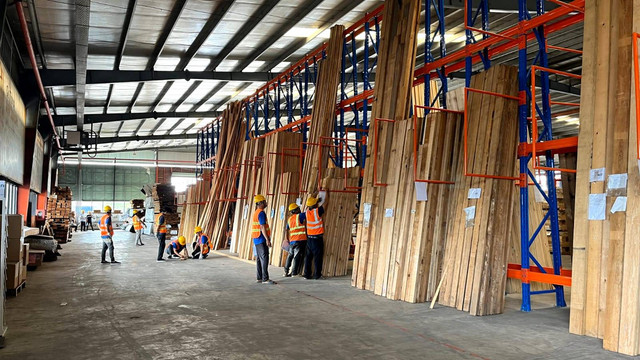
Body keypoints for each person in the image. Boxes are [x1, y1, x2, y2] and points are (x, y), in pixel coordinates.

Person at [304, 192, 328, 280]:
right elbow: (326, 203)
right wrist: (327, 193)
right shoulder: (317, 211)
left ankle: (307, 274)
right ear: (315, 205)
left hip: (309, 239)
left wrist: (316, 194)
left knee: (308, 257)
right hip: (317, 239)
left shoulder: (307, 212)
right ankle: (317, 275)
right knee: (318, 257)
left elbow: (309, 202)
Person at [252, 195, 275, 284]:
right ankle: (265, 278)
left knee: (259, 258)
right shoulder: (261, 213)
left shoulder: (256, 212)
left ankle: (259, 278)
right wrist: (267, 239)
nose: (266, 203)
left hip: (256, 238)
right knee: (264, 258)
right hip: (261, 238)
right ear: (260, 203)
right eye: (264, 201)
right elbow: (262, 227)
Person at [284, 203, 306, 277]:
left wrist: (286, 239)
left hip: (292, 241)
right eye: (298, 208)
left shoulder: (290, 219)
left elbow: (286, 229)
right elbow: (309, 213)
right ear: (296, 210)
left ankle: (286, 271)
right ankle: (294, 273)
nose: (300, 209)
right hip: (300, 240)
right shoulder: (300, 216)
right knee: (297, 256)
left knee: (290, 256)